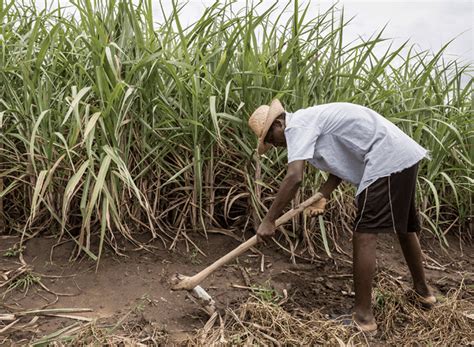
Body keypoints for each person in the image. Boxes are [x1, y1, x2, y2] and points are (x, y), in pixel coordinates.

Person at [248, 99, 437, 333]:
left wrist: (269, 220)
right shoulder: (310, 122)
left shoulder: (296, 126)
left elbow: (294, 177)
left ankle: (364, 318)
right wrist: (322, 195)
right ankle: (423, 294)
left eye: (270, 139)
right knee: (405, 228)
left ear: (279, 124)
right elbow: (338, 168)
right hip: (399, 154)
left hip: (385, 158)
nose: (274, 145)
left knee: (364, 234)